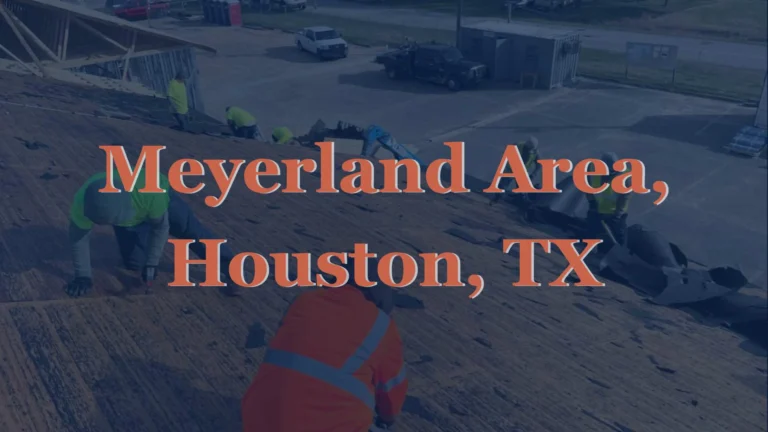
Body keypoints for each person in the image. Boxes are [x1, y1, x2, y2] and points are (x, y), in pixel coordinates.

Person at [241, 256, 408, 432]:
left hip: (257, 422)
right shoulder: (381, 324)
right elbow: (392, 391)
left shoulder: (303, 301)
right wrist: (386, 419)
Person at [65, 169, 239, 297]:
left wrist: (153, 263)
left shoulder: (151, 195)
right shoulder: (83, 202)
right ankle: (140, 236)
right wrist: (83, 276)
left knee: (191, 232)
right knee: (134, 263)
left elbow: (161, 228)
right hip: (132, 215)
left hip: (160, 200)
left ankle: (230, 267)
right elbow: (78, 239)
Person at [585, 152, 630, 253]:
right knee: (592, 228)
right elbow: (586, 185)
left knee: (618, 234)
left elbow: (624, 197)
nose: (609, 176)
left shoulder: (624, 177)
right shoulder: (592, 170)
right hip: (597, 208)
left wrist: (617, 214)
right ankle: (589, 248)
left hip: (616, 212)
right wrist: (591, 201)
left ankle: (619, 253)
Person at [490, 136, 541, 206]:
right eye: (528, 148)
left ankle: (519, 202)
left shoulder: (535, 152)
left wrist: (534, 174)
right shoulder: (518, 145)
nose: (529, 150)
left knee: (522, 189)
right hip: (511, 169)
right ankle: (495, 199)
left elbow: (539, 164)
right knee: (502, 186)